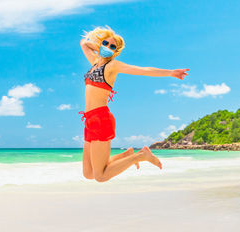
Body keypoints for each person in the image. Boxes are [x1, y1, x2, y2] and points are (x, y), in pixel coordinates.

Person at [79, 25, 189, 182]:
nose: (108, 47)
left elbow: (143, 70)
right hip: (89, 120)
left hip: (101, 119)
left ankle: (142, 155)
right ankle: (127, 155)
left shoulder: (112, 66)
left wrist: (170, 72)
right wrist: (98, 45)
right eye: (106, 44)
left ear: (115, 52)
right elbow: (84, 43)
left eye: (112, 47)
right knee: (88, 173)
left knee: (101, 176)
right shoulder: (95, 62)